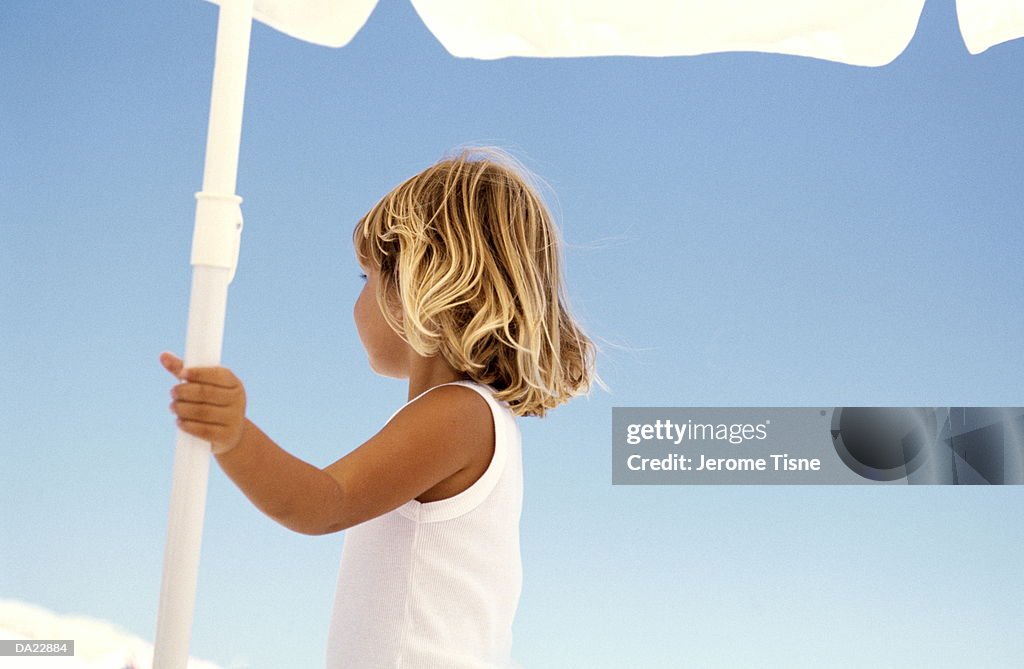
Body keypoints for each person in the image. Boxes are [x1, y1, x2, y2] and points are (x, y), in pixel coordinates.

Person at [160, 147, 597, 668]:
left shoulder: (458, 415)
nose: (357, 301)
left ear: (421, 284)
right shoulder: (469, 417)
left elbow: (320, 503)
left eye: (365, 278)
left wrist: (234, 435)